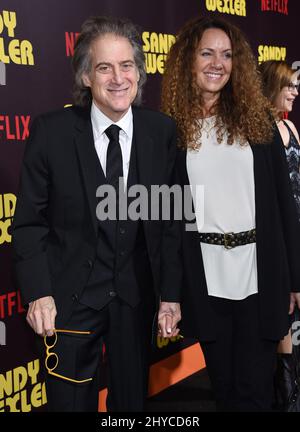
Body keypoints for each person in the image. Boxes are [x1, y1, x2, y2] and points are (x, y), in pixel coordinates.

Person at [12, 15, 181, 412]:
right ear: (86, 76)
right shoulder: (51, 132)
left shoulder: (161, 132)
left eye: (127, 66)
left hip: (134, 300)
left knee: (130, 406)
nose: (118, 77)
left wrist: (170, 296)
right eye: (104, 67)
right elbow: (29, 223)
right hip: (70, 301)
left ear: (140, 72)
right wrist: (38, 293)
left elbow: (171, 222)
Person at [161, 16, 300, 411]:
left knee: (256, 391)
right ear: (188, 60)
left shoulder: (260, 125)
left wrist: (295, 278)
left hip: (260, 277)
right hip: (206, 280)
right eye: (207, 53)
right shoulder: (172, 131)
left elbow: (284, 205)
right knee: (224, 390)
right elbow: (170, 219)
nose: (217, 63)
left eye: (226, 55)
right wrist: (170, 293)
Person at [259, 60, 300, 409]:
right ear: (274, 87)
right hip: (278, 234)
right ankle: (285, 391)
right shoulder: (262, 131)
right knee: (283, 309)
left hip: (297, 226)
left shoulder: (293, 130)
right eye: (289, 86)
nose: (295, 92)